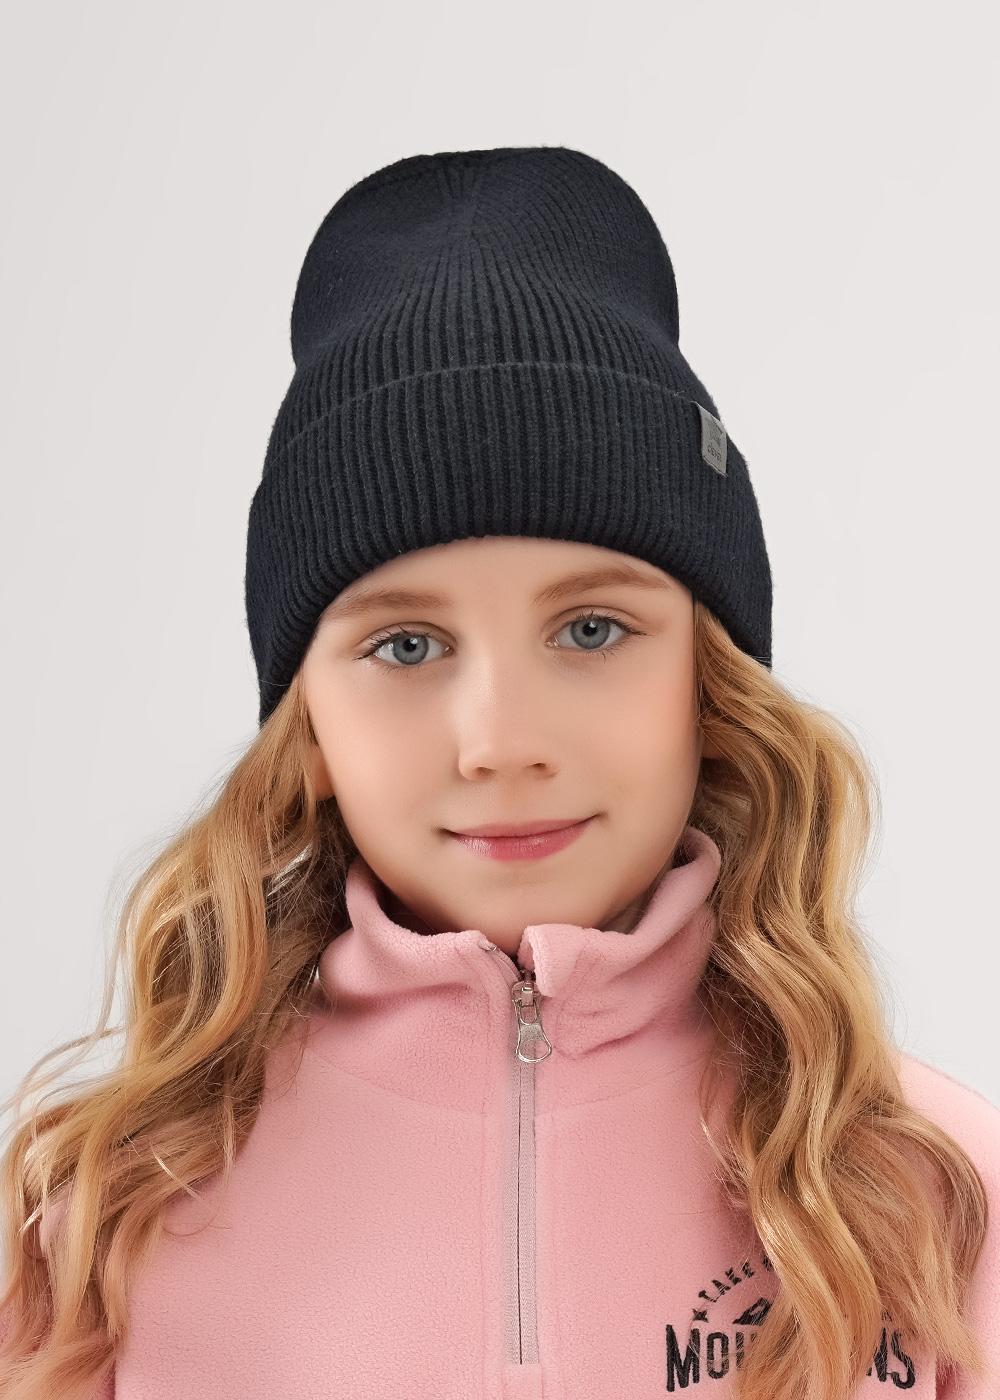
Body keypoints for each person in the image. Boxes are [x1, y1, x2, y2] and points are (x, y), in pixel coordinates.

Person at [1, 146, 997, 1400]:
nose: (500, 739)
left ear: (708, 684)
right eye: (405, 646)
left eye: (591, 628)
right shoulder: (104, 1214)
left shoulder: (933, 1191)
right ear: (307, 726)